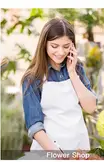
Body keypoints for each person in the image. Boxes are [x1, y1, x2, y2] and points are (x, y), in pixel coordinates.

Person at [21, 18, 97, 152]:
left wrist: (72, 73)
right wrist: (57, 154)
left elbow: (91, 107)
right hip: (48, 151)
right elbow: (34, 125)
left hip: (79, 147)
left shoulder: (77, 68)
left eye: (66, 46)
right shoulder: (32, 78)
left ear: (73, 46)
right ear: (44, 44)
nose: (61, 52)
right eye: (54, 46)